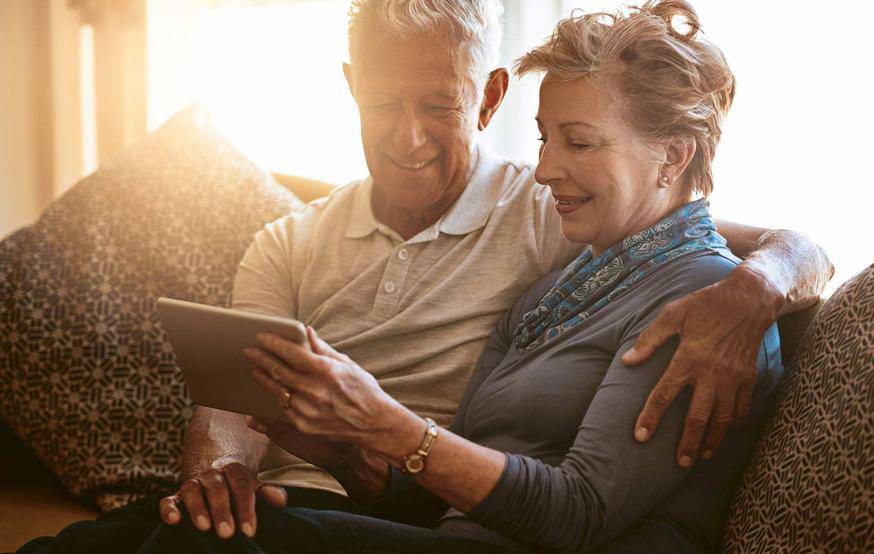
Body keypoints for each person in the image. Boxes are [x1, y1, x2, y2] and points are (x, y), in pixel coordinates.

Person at [17, 1, 831, 553]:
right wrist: (335, 448)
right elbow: (437, 490)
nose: (547, 168)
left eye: (577, 143)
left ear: (485, 99)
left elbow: (578, 511)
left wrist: (758, 287)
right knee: (99, 541)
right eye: (547, 141)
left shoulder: (658, 281)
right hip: (424, 522)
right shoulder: (570, 276)